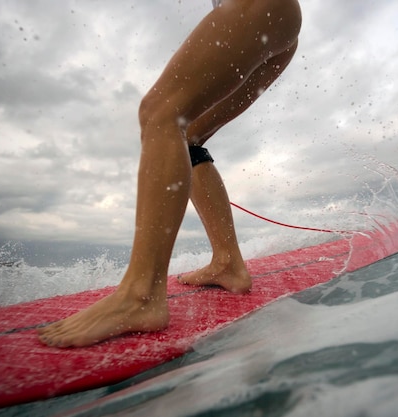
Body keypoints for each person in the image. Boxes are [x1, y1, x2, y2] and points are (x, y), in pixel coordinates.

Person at [38, 0, 302, 348]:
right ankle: (228, 263)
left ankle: (141, 295)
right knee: (188, 134)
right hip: (280, 22)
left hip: (259, 6)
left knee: (159, 113)